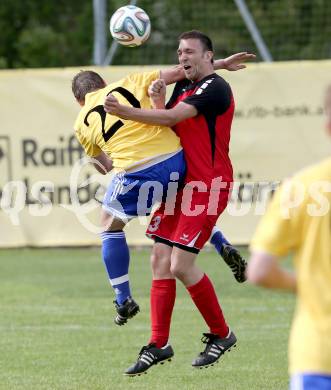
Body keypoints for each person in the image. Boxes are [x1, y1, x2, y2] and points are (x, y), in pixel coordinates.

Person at [72, 50, 253, 327]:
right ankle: (221, 243)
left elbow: (105, 166)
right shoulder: (131, 81)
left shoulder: (82, 120)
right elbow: (182, 72)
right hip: (175, 158)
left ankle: (123, 299)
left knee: (109, 224)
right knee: (180, 209)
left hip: (139, 170)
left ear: (79, 100)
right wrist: (222, 65)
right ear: (104, 83)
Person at [104, 30, 249, 374]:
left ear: (208, 56)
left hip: (208, 186)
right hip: (180, 185)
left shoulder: (216, 87)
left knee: (180, 265)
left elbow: (171, 119)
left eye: (190, 52)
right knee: (159, 259)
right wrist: (157, 100)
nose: (183, 57)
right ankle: (158, 344)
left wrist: (125, 111)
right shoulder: (184, 86)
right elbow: (170, 130)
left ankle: (222, 334)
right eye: (180, 52)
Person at [247, 86, 331, 389]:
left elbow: (259, 271)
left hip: (319, 356)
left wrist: (307, 284)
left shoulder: (302, 187)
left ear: (327, 126)